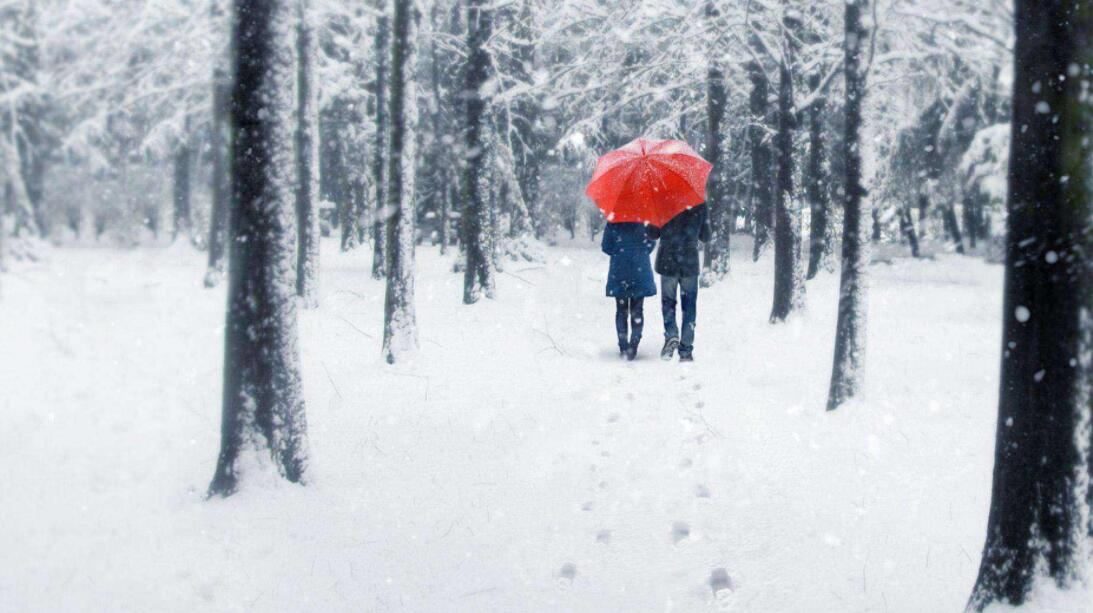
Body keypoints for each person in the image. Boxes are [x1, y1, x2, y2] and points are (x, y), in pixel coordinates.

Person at [647, 204, 711, 362]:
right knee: (689, 306)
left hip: (668, 260)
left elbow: (652, 233)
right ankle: (686, 349)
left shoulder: (662, 201)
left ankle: (671, 334)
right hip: (689, 261)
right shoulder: (699, 204)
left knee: (668, 302)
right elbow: (706, 236)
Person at [601, 221, 657, 360]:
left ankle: (623, 346)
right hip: (640, 270)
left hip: (620, 270)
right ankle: (634, 345)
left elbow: (606, 247)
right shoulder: (645, 220)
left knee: (621, 310)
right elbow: (651, 245)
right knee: (637, 310)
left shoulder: (613, 221)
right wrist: (639, 251)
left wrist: (620, 250)